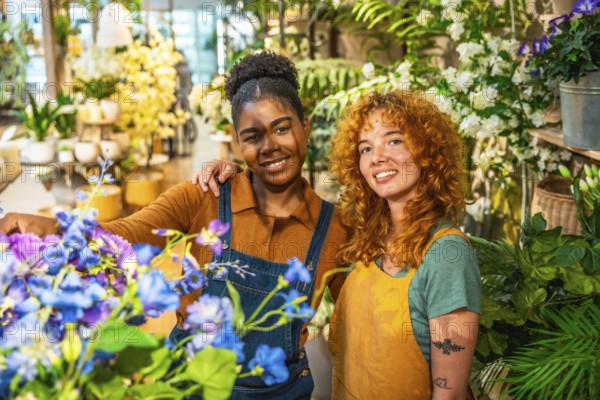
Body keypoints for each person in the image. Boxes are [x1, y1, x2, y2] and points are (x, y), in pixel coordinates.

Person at [0, 52, 348, 399]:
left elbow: (356, 325)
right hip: (188, 385)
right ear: (238, 142)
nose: (269, 146)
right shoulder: (204, 196)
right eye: (252, 136)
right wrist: (53, 227)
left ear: (305, 126)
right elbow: (126, 236)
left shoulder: (336, 228)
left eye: (282, 128)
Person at [327, 90, 481, 399]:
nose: (378, 156)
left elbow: (448, 393)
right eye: (365, 148)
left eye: (394, 140)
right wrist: (236, 180)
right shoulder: (365, 239)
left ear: (427, 151)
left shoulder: (446, 255)